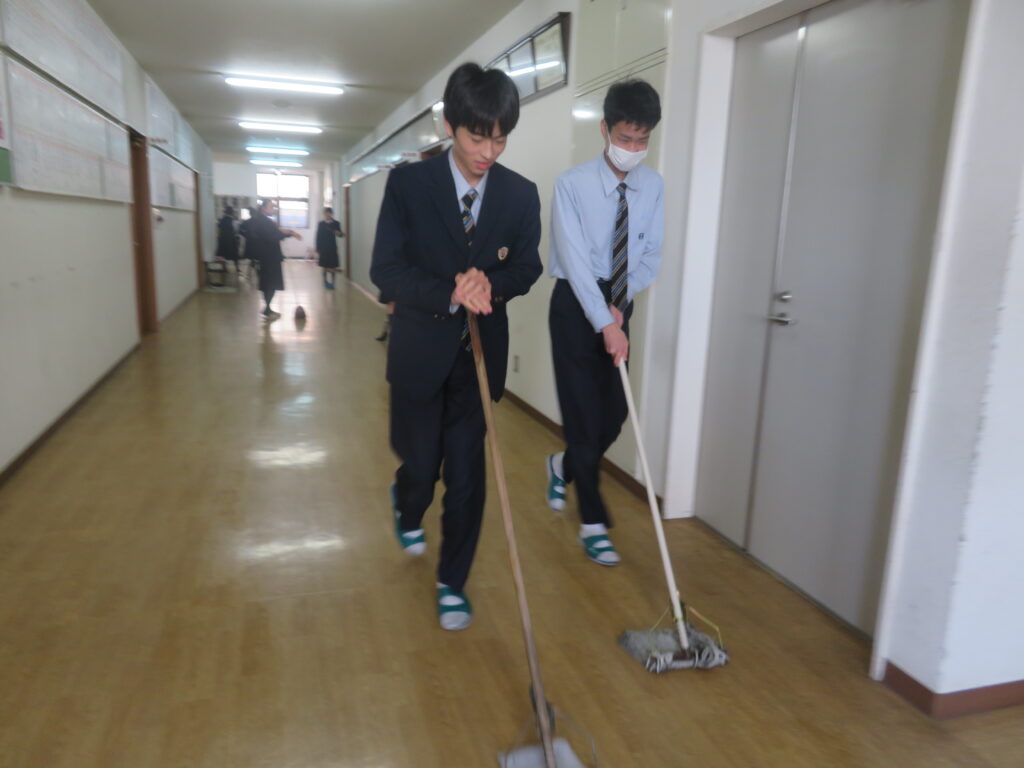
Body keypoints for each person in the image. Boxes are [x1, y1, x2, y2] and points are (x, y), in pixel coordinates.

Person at [370, 62, 542, 631]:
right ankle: (407, 499)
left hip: (477, 358)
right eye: (476, 137)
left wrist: (491, 284)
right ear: (449, 126)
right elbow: (386, 270)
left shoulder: (520, 195)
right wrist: (450, 292)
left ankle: (452, 582)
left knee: (467, 477)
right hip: (420, 354)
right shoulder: (408, 186)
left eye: (500, 138)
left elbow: (527, 266)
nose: (488, 152)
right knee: (422, 467)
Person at [545, 79, 664, 567]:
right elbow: (575, 262)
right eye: (625, 138)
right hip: (575, 308)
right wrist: (603, 318)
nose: (632, 149)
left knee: (613, 413)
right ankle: (593, 523)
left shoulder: (653, 187)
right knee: (582, 419)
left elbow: (651, 253)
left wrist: (621, 300)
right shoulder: (571, 185)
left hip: (618, 301)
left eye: (642, 140)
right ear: (605, 130)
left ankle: (562, 466)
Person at [248, 198, 301, 319]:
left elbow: (275, 232)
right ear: (264, 208)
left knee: (268, 284)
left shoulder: (263, 220)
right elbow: (274, 236)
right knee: (270, 284)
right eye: (271, 207)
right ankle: (267, 310)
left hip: (267, 256)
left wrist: (288, 232)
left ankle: (267, 309)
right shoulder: (263, 221)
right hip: (269, 258)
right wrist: (290, 234)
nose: (273, 209)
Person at [315, 207, 344, 289]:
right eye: (326, 213)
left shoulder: (336, 223)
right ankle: (325, 282)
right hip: (323, 248)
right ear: (324, 214)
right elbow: (318, 237)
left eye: (329, 213)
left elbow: (341, 234)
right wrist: (318, 249)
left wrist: (339, 233)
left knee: (333, 266)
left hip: (332, 247)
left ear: (332, 214)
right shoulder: (321, 224)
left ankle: (333, 283)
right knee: (324, 266)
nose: (328, 215)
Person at [215, 206, 239, 271]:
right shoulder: (233, 220)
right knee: (234, 254)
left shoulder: (222, 220)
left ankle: (224, 267)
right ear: (232, 212)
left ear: (225, 212)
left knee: (223, 254)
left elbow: (219, 228)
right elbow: (236, 230)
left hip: (222, 240)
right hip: (231, 240)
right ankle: (237, 267)